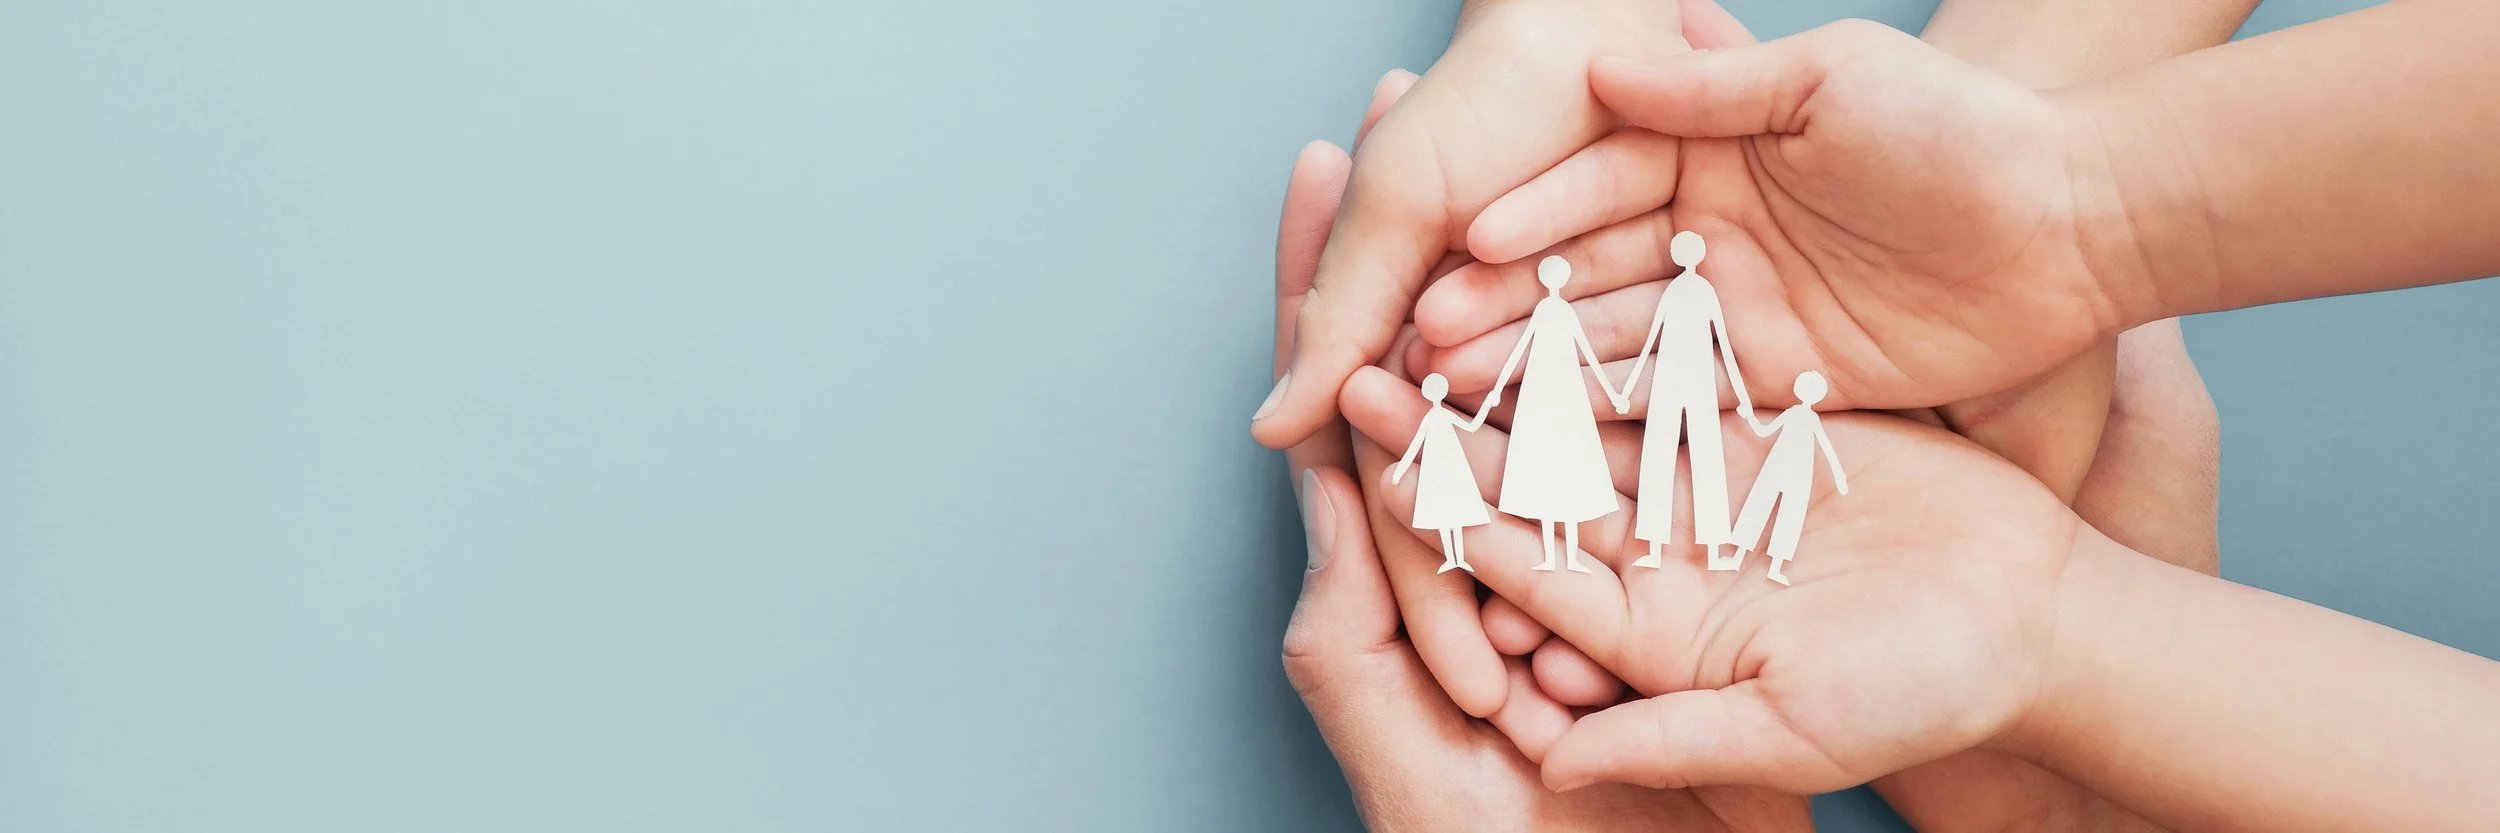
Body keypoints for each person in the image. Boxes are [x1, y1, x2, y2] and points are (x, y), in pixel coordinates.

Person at [1469, 256, 1629, 574]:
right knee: (1544, 468)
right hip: (1542, 391)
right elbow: (1524, 347)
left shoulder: (1558, 310)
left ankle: (1568, 557)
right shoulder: (1546, 310)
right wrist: (1497, 387)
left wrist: (1613, 393)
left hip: (1561, 391)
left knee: (1567, 468)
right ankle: (1553, 557)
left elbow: (1585, 350)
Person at [1612, 230, 1761, 571]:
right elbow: (1653, 338)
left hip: (1692, 380)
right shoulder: (1683, 290)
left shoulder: (1694, 290)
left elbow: (1721, 340)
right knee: (1670, 458)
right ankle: (1666, 548)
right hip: (1675, 379)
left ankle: (1702, 549)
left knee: (1682, 457)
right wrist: (1628, 388)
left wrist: (1742, 395)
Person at [1727, 371, 1846, 585]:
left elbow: (1826, 446)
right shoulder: (1793, 413)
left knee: (1788, 514)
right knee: (1760, 506)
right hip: (1778, 465)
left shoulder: (1810, 418)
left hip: (1798, 471)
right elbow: (1764, 431)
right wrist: (1749, 416)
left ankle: (1773, 567)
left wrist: (1839, 474)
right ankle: (1738, 558)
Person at [1389, 373, 1490, 574]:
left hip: (1452, 464)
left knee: (1454, 512)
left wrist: (1487, 405)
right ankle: (1452, 559)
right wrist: (1400, 470)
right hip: (1436, 466)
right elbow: (1416, 444)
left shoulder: (1443, 415)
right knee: (1443, 513)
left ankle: (1458, 558)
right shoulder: (1432, 417)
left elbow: (1471, 427)